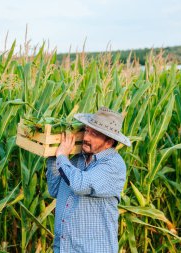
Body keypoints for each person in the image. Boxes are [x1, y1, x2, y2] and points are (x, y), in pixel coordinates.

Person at [46, 106, 131, 252]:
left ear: (109, 142)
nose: (86, 137)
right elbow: (55, 191)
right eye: (87, 130)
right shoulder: (75, 160)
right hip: (64, 248)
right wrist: (52, 154)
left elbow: (80, 184)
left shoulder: (113, 166)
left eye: (95, 134)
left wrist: (61, 156)